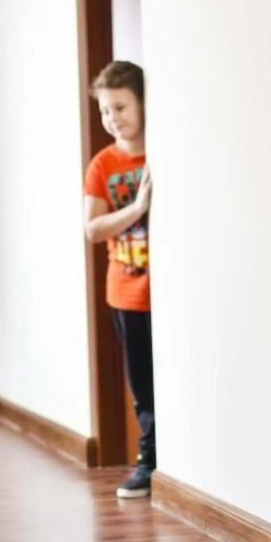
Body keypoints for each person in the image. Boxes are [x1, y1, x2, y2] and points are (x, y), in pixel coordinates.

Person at [83, 60, 156, 498]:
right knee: (142, 384)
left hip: (168, 292)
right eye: (106, 110)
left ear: (143, 103)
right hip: (127, 291)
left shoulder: (161, 153)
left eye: (121, 107)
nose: (113, 118)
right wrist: (136, 208)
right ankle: (148, 461)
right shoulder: (103, 164)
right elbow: (92, 229)